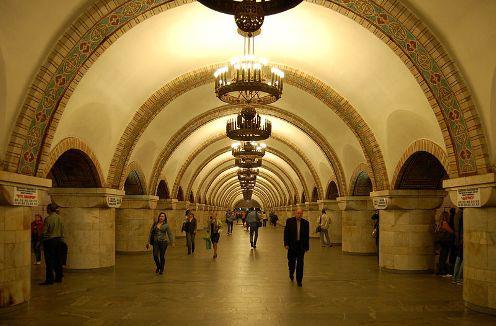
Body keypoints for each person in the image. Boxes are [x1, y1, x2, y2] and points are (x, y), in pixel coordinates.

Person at [284, 208, 309, 287]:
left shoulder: (306, 223)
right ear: (295, 213)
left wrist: (306, 246)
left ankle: (299, 280)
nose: (299, 215)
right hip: (292, 245)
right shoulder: (289, 221)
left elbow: (306, 236)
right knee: (291, 262)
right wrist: (286, 244)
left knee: (300, 263)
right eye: (298, 213)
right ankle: (291, 272)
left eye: (301, 213)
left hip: (300, 246)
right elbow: (286, 233)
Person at [40, 204, 64, 285]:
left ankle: (49, 279)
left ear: (50, 209)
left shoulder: (48, 218)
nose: (46, 210)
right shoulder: (60, 218)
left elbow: (44, 232)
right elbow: (62, 230)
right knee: (58, 259)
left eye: (47, 208)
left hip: (50, 241)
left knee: (49, 261)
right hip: (59, 240)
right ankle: (58, 277)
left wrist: (41, 241)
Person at [435, 211, 453, 276]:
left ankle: (441, 270)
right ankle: (442, 271)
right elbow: (451, 231)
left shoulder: (440, 223)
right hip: (446, 241)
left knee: (442, 256)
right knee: (444, 256)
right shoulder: (445, 223)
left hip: (442, 241)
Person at [452, 209, 463, 285]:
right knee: (462, 260)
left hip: (458, 240)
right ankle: (459, 278)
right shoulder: (462, 215)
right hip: (462, 240)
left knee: (458, 259)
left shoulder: (456, 215)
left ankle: (455, 278)